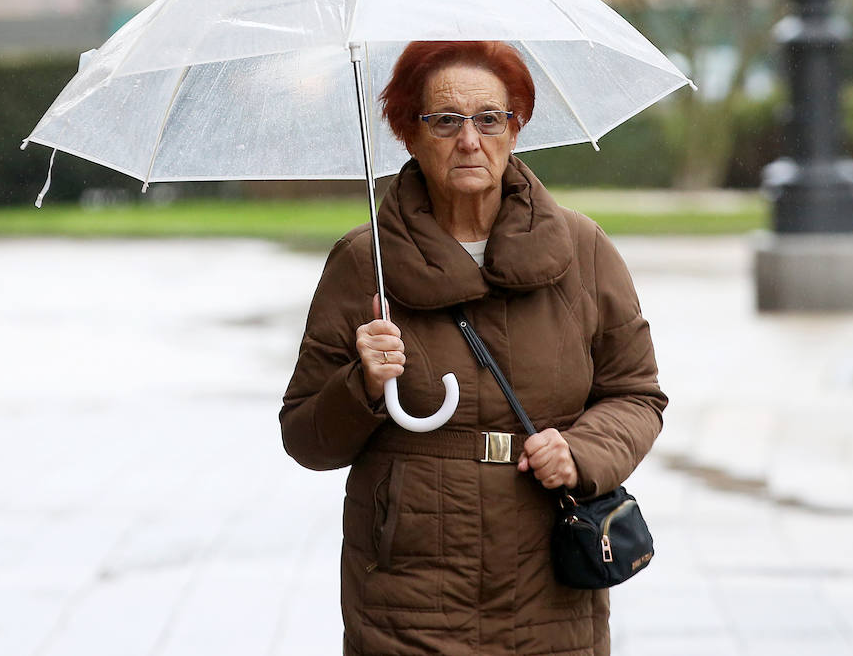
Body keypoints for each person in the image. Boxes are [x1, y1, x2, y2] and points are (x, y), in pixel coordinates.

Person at [280, 41, 667, 656]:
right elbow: (304, 436)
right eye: (445, 120)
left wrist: (583, 452)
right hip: (408, 590)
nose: (470, 140)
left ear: (517, 128)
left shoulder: (584, 249)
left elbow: (636, 394)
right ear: (409, 131)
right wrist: (363, 385)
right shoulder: (364, 263)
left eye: (491, 118)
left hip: (549, 580)